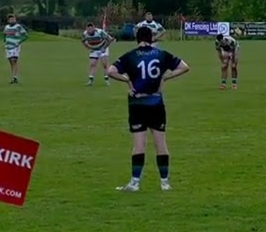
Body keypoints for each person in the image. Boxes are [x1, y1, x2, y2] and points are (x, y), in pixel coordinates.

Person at [107, 26, 190, 191]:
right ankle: (165, 183)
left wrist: (127, 80)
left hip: (137, 103)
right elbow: (184, 67)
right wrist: (166, 77)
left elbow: (111, 71)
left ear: (137, 38)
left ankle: (135, 183)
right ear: (151, 38)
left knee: (139, 144)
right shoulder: (161, 54)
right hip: (156, 102)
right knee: (161, 143)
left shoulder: (130, 56)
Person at [81, 22, 115, 86]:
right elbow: (83, 41)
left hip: (102, 48)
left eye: (91, 29)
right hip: (94, 49)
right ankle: (90, 80)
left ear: (94, 28)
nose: (89, 31)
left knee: (104, 64)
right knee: (92, 64)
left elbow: (109, 39)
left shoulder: (100, 32)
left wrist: (104, 48)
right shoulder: (85, 34)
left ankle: (106, 80)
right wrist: (88, 47)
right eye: (88, 29)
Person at [3, 14, 29, 84]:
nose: (12, 20)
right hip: (8, 47)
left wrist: (19, 42)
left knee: (13, 60)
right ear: (8, 20)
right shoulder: (6, 27)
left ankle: (15, 77)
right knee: (11, 62)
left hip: (15, 47)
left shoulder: (18, 27)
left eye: (13, 19)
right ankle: (13, 77)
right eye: (10, 19)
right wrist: (5, 42)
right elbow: (5, 35)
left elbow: (26, 36)